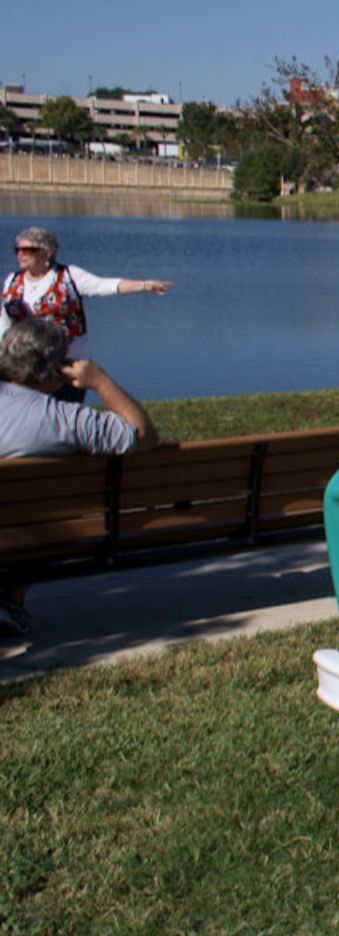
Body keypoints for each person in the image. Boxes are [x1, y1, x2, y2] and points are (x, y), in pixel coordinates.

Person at [0, 317, 159, 637]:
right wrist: (100, 382)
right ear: (57, 369)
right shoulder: (65, 420)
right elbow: (144, 435)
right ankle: (9, 599)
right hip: (34, 534)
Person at [3, 226, 173, 402]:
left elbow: (102, 285)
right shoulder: (12, 281)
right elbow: (5, 320)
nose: (20, 254)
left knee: (64, 421)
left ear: (46, 253)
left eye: (27, 250)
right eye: (17, 250)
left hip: (66, 366)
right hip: (25, 365)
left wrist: (144, 285)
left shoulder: (68, 276)